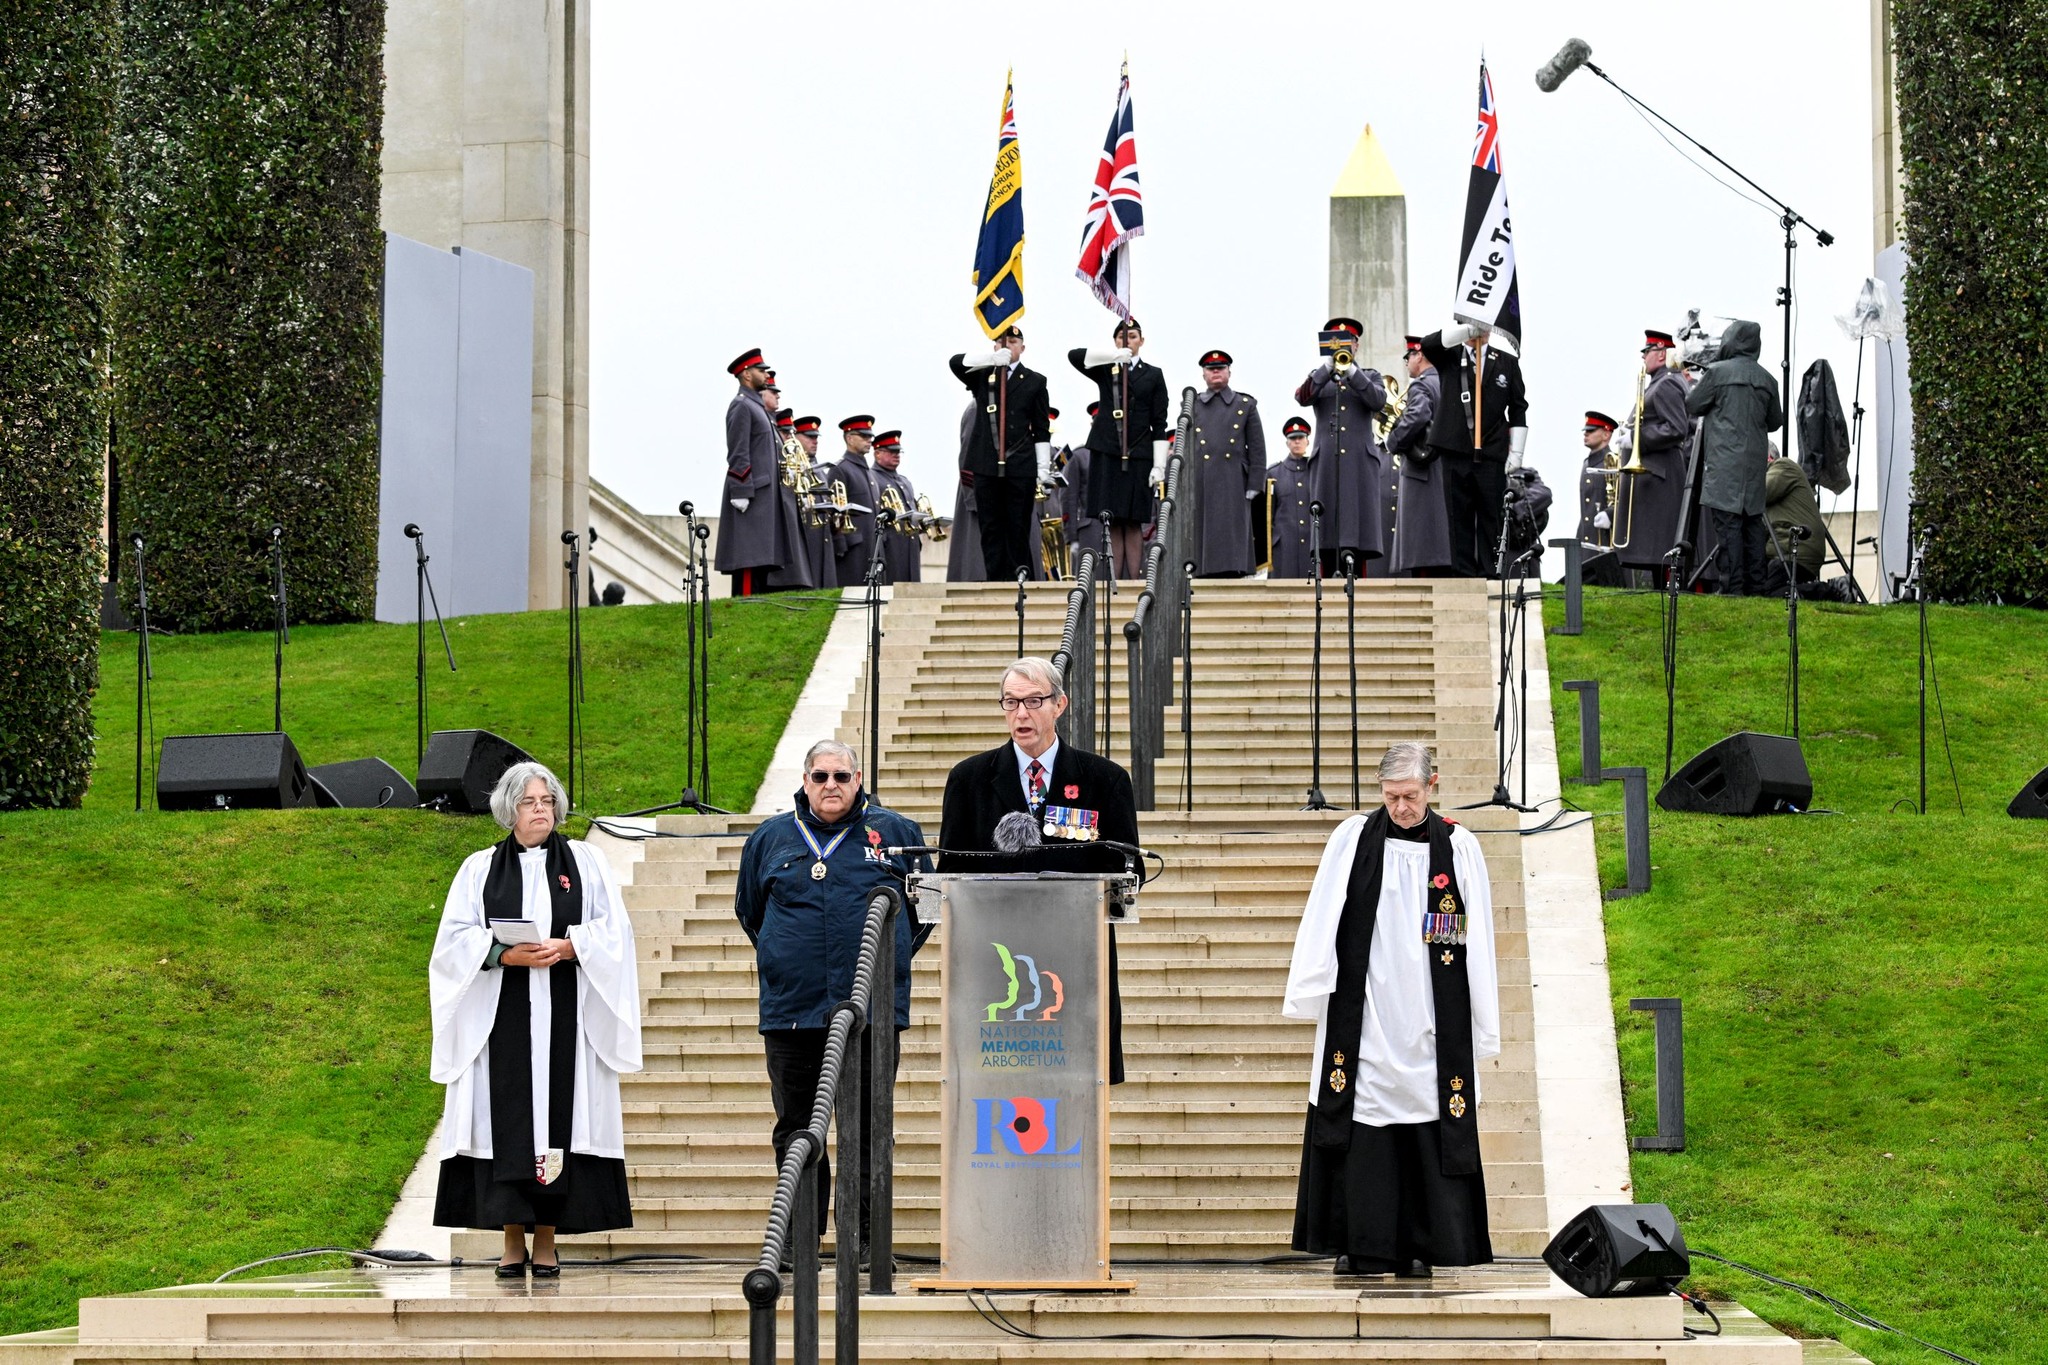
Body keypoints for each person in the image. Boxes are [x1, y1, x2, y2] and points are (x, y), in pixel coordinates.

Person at [1283, 742, 1499, 1277]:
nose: (1400, 806)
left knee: (1426, 1122)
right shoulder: (1353, 839)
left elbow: (1477, 939)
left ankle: (1423, 1245)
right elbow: (1322, 913)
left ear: (1433, 786)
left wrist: (1480, 1017)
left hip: (1429, 1013)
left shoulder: (1459, 847)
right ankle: (1362, 1244)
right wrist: (1312, 985)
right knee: (1361, 1122)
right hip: (1366, 1009)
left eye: (1410, 795)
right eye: (1390, 796)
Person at [430, 762, 642, 1277]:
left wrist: (573, 945)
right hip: (502, 1014)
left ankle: (546, 1240)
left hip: (567, 1014)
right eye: (529, 802)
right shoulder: (479, 869)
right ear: (509, 810)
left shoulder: (586, 862)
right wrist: (504, 954)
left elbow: (616, 932)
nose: (541, 810)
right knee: (508, 1120)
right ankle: (510, 1241)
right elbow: (453, 941)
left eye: (547, 801)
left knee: (560, 1119)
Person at [735, 740, 931, 1249]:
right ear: (805, 781)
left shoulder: (897, 834)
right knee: (798, 1129)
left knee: (868, 1128)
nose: (831, 787)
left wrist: (886, 963)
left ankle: (866, 1240)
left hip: (872, 1012)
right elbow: (751, 913)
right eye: (820, 777)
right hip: (792, 1013)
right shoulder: (770, 838)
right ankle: (799, 1241)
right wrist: (787, 957)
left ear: (859, 778)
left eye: (841, 777)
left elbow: (923, 915)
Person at [938, 657, 1138, 1085]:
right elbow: (951, 870)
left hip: (1076, 960)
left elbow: (1127, 867)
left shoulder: (1105, 780)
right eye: (1011, 702)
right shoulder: (969, 779)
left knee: (1077, 1083)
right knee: (999, 1083)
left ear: (1060, 704)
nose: (1021, 714)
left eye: (1033, 701)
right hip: (997, 963)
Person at [1417, 325, 1528, 578]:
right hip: (1455, 449)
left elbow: (1518, 407)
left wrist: (1517, 452)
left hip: (1491, 452)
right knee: (1459, 517)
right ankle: (1463, 574)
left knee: (1491, 515)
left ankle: (1490, 573)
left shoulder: (1506, 363)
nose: (1483, 330)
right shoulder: (1451, 355)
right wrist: (1467, 330)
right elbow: (1428, 344)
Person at [1686, 320, 1784, 596]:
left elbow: (1693, 404)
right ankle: (1756, 588)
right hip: (1753, 469)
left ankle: (1732, 588)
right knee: (1752, 528)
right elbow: (1776, 421)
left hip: (1723, 468)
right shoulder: (1768, 379)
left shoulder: (1717, 373)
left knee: (1728, 531)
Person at [950, 326, 1051, 582]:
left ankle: (1020, 577)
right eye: (1000, 341)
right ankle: (996, 581)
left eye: (1013, 341)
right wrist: (989, 361)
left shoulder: (1035, 381)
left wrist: (1042, 469)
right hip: (986, 463)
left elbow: (1041, 429)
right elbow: (955, 363)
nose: (1006, 345)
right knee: (991, 528)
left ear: (1022, 348)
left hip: (1021, 464)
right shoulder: (984, 375)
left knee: (1017, 526)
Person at [1070, 317, 1169, 578]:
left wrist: (1159, 465)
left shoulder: (1153, 375)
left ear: (1142, 341)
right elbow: (1075, 356)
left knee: (1134, 519)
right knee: (1111, 518)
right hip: (1108, 451)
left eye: (1133, 337)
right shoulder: (1106, 367)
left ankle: (1134, 579)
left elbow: (1159, 422)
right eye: (1122, 337)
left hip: (1138, 453)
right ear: (1115, 341)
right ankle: (1114, 579)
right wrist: (1112, 355)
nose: (1128, 341)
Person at [1294, 317, 1388, 577]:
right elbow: (1302, 396)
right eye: (1337, 343)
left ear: (1356, 346)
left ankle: (1356, 575)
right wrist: (1327, 367)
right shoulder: (1319, 378)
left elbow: (1378, 400)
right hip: (1326, 465)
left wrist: (1353, 374)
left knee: (1357, 529)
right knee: (1326, 528)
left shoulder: (1369, 376)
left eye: (1349, 343)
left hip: (1358, 463)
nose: (1344, 348)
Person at [717, 348, 811, 596]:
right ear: (746, 374)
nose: (765, 374)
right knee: (749, 560)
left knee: (761, 561)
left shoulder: (759, 409)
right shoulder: (741, 406)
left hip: (765, 495)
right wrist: (741, 488)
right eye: (761, 370)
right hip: (752, 493)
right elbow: (738, 451)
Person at [1613, 330, 1691, 582]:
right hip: (1656, 475)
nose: (1643, 358)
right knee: (1654, 551)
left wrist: (1637, 438)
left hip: (1660, 476)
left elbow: (1676, 427)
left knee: (1659, 548)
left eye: (1646, 352)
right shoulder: (1659, 383)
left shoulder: (1666, 383)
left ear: (1659, 353)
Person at [1188, 349, 1266, 578]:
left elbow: (1257, 448)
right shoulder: (1192, 406)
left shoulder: (1245, 404)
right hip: (1202, 478)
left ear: (1229, 372)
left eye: (1220, 368)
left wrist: (1255, 483)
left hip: (1234, 479)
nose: (1216, 372)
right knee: (1204, 532)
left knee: (1233, 532)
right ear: (1203, 374)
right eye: (1211, 369)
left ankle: (1235, 570)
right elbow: (1184, 447)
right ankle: (1202, 571)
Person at [1386, 335, 1449, 577]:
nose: (1406, 362)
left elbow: (1417, 416)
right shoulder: (1445, 381)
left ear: (1419, 355)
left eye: (1407, 357)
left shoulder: (1420, 385)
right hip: (1443, 467)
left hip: (1421, 472)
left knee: (1421, 545)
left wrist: (1392, 442)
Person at [1762, 443, 1825, 594]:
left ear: (1768, 457)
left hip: (1796, 550)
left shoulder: (1783, 466)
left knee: (1768, 594)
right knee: (1760, 590)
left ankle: (1830, 590)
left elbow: (1760, 493)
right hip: (1787, 550)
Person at [830, 415, 883, 586]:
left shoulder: (869, 473)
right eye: (864, 436)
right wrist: (839, 544)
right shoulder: (840, 469)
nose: (869, 440)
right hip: (853, 547)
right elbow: (836, 511)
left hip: (871, 545)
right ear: (849, 438)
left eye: (870, 437)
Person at [1267, 417, 1315, 579]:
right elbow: (1267, 516)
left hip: (1312, 546)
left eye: (1301, 437)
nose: (1297, 442)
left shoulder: (1315, 472)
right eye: (1292, 438)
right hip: (1283, 549)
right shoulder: (1273, 473)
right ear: (1287, 443)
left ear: (1307, 441)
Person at [872, 429, 922, 584]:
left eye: (898, 452)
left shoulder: (904, 481)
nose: (896, 455)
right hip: (890, 545)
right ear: (877, 453)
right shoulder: (872, 478)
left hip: (909, 544)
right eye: (891, 452)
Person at [947, 400, 983, 582]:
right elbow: (968, 455)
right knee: (975, 559)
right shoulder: (977, 409)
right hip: (980, 491)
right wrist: (973, 498)